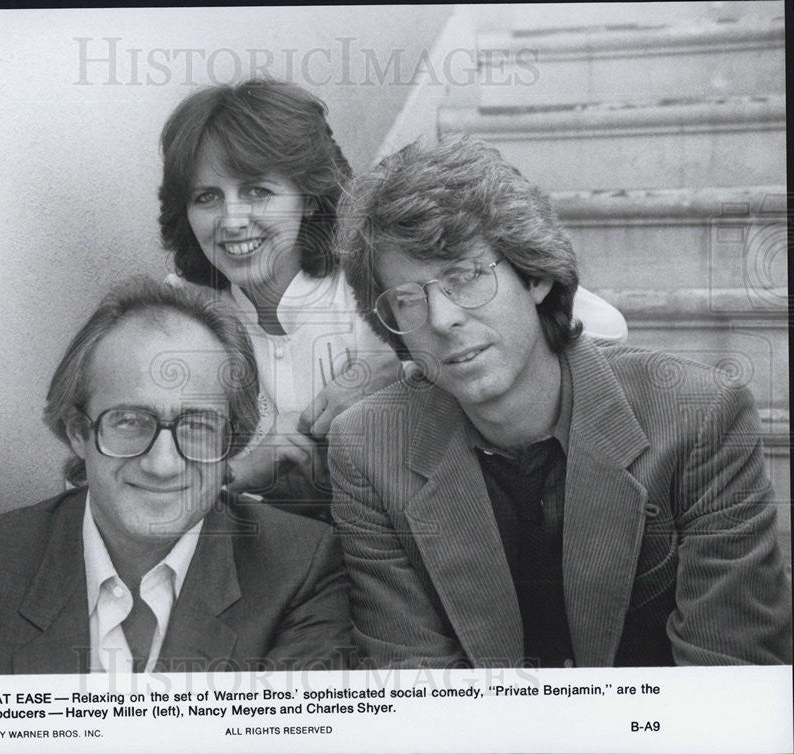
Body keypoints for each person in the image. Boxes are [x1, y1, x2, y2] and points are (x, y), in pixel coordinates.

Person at [328, 134, 791, 667]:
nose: (442, 319)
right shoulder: (368, 447)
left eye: (465, 277)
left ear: (537, 275)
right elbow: (414, 682)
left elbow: (728, 679)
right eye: (408, 300)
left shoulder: (700, 418)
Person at [158, 79, 627, 518]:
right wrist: (246, 467)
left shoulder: (379, 276)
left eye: (257, 191)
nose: (232, 220)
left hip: (414, 538)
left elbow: (604, 325)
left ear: (307, 195)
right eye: (207, 198)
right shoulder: (182, 313)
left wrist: (408, 365)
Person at [0, 278, 352, 674]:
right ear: (78, 431)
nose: (163, 464)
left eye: (198, 427)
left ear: (231, 439)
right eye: (131, 422)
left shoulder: (300, 571)